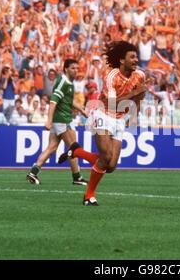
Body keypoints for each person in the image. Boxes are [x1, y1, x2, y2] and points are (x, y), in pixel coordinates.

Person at [58, 41, 147, 206]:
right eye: (132, 57)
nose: (136, 60)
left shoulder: (140, 75)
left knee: (111, 166)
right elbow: (112, 104)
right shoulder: (112, 76)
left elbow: (139, 96)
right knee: (105, 156)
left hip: (120, 119)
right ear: (122, 60)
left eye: (136, 57)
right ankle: (88, 195)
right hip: (103, 113)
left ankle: (76, 151)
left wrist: (135, 113)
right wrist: (135, 92)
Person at [26, 59, 89, 186]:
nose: (76, 70)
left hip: (60, 119)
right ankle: (77, 177)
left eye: (77, 68)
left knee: (52, 147)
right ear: (66, 69)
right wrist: (48, 121)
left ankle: (33, 172)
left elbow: (68, 100)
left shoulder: (67, 82)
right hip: (63, 120)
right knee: (74, 147)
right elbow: (53, 101)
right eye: (73, 68)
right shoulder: (63, 82)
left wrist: (81, 109)